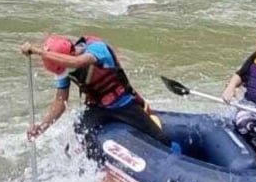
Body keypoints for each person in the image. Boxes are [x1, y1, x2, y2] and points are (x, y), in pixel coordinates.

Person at [21, 34, 169, 159]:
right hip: (97, 108)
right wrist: (41, 127)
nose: (63, 72)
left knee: (161, 140)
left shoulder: (97, 49)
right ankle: (98, 166)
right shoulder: (63, 69)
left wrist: (37, 51)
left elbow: (78, 62)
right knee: (76, 139)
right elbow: (61, 102)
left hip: (124, 104)